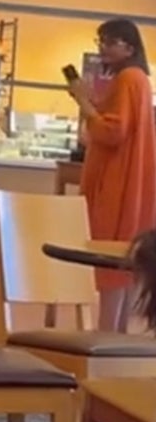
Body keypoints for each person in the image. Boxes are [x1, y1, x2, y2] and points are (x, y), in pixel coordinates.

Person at [70, 17, 156, 331]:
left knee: (110, 261)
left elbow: (112, 130)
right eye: (101, 41)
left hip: (118, 184)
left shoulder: (128, 79)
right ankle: (115, 338)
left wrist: (83, 102)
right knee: (124, 267)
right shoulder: (139, 80)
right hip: (130, 181)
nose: (103, 48)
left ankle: (106, 337)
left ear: (129, 47)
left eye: (109, 42)